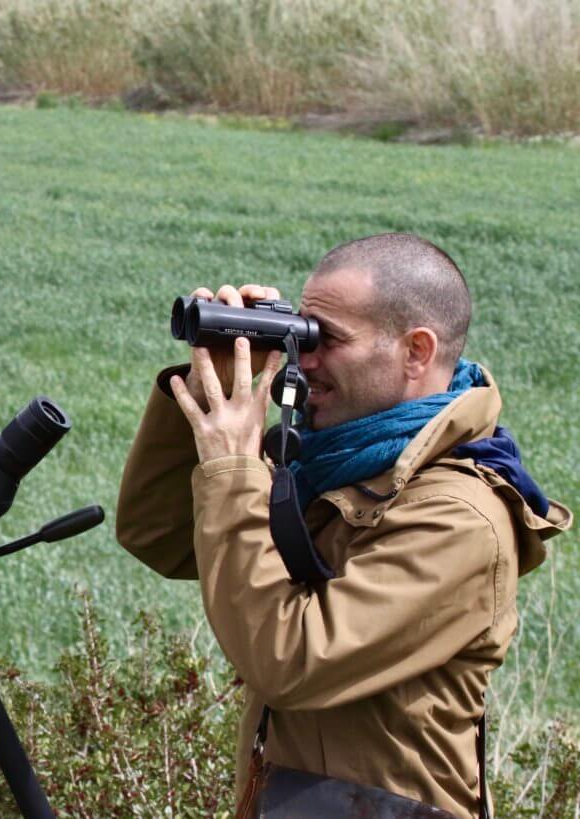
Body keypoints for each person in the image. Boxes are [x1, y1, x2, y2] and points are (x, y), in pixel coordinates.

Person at [116, 233, 572, 818]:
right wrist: (219, 385)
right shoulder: (337, 468)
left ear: (416, 351)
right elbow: (161, 537)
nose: (304, 360)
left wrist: (235, 466)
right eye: (301, 332)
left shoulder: (459, 519)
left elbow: (290, 659)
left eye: (327, 339)